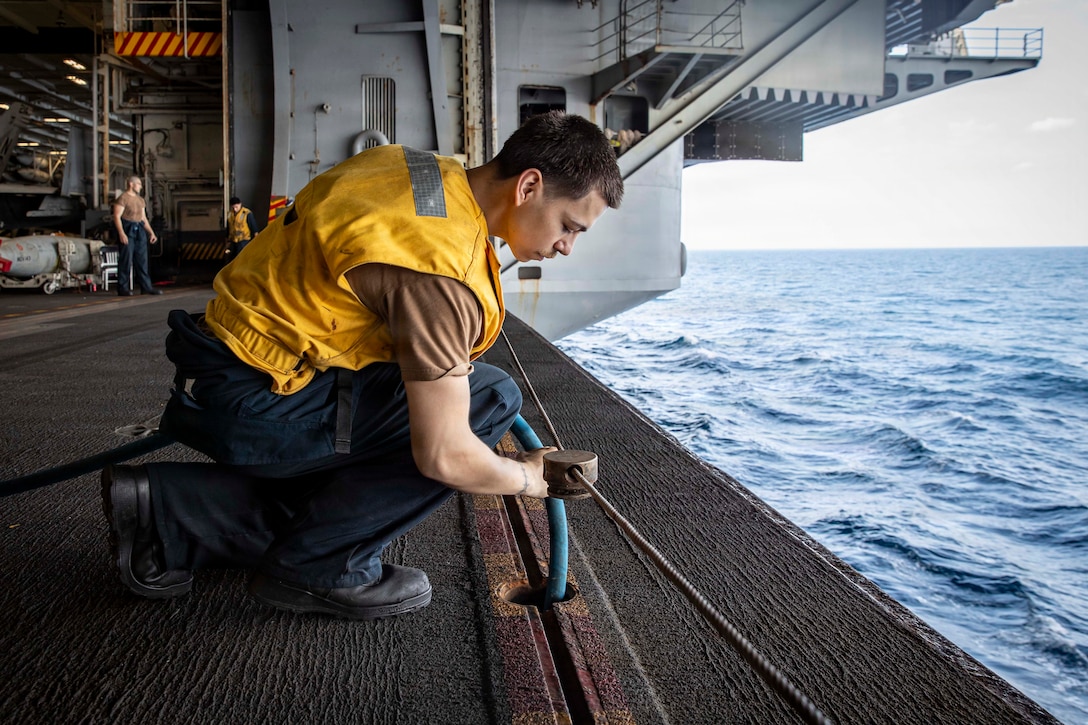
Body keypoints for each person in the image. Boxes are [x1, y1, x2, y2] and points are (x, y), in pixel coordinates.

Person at [101, 111, 624, 620]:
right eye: (569, 225)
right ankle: (322, 566)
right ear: (528, 186)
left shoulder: (411, 167)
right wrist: (528, 478)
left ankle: (164, 509)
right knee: (489, 401)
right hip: (253, 400)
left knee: (448, 409)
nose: (567, 247)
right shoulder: (440, 272)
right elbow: (446, 456)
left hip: (220, 363)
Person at [111, 176, 163, 296]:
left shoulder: (140, 200)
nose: (140, 186)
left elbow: (143, 218)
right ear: (131, 184)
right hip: (127, 229)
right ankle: (122, 288)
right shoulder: (123, 198)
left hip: (139, 229)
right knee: (126, 260)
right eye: (138, 184)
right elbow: (117, 217)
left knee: (142, 260)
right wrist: (121, 233)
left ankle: (146, 287)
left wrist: (151, 232)